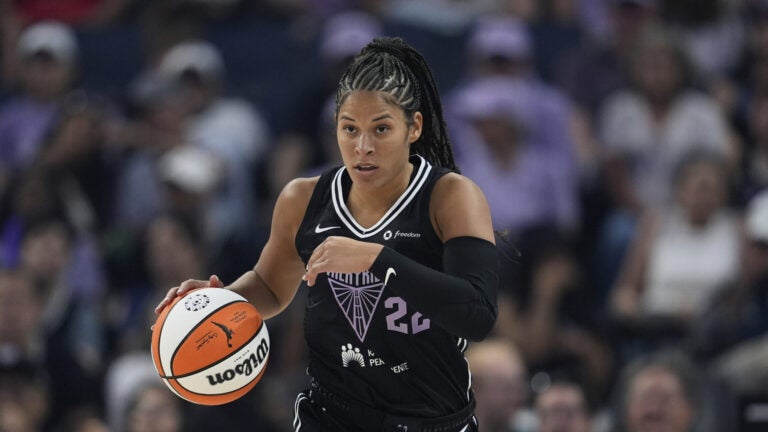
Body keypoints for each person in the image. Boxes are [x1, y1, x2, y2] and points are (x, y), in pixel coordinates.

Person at [156, 36, 499, 432]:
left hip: (432, 419)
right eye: (349, 129)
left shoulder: (450, 196)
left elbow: (477, 316)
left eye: (381, 129)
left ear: (414, 127)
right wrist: (222, 301)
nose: (363, 147)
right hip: (333, 418)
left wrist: (376, 260)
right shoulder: (303, 199)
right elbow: (270, 287)